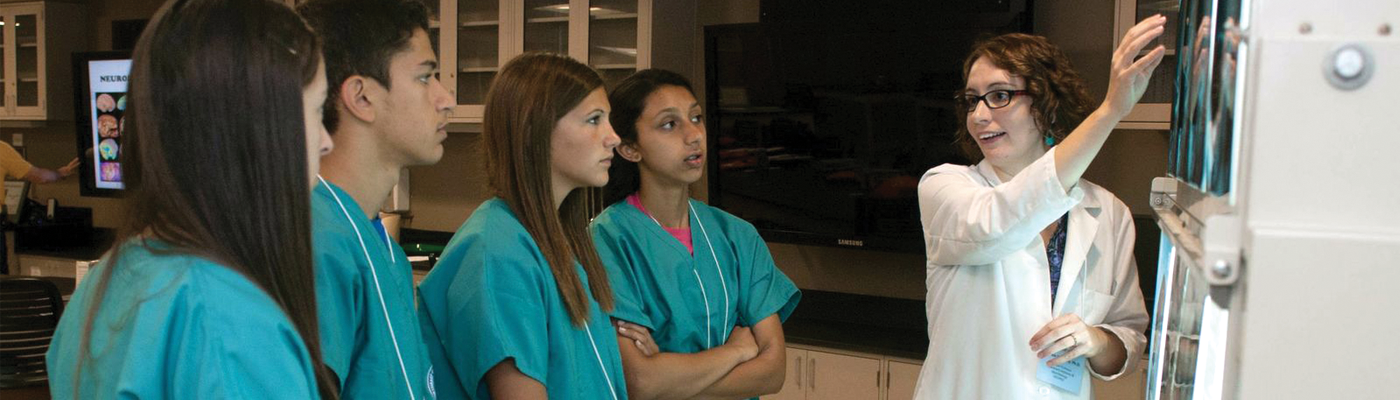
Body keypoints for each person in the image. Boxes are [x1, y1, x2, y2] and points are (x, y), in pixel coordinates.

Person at [44, 0, 338, 398]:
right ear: (258, 126)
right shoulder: (228, 325)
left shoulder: (105, 283)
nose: (326, 142)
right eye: (319, 111)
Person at [913, 16, 1168, 399]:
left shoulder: (1108, 213)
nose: (979, 116)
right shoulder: (947, 188)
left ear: (1048, 106)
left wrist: (1096, 340)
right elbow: (998, 223)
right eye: (971, 100)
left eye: (999, 96)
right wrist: (1110, 111)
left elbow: (1128, 341)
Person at [416, 52, 626, 399]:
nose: (613, 137)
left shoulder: (557, 244)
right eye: (593, 120)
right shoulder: (499, 252)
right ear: (534, 130)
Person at [589, 69, 800, 400]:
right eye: (670, 124)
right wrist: (737, 351)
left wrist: (667, 377)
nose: (694, 135)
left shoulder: (738, 236)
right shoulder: (608, 241)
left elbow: (773, 372)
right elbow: (639, 382)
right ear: (630, 149)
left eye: (696, 118)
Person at [297, 0, 452, 397]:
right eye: (425, 77)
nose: (445, 98)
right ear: (361, 98)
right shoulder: (318, 245)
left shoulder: (383, 250)